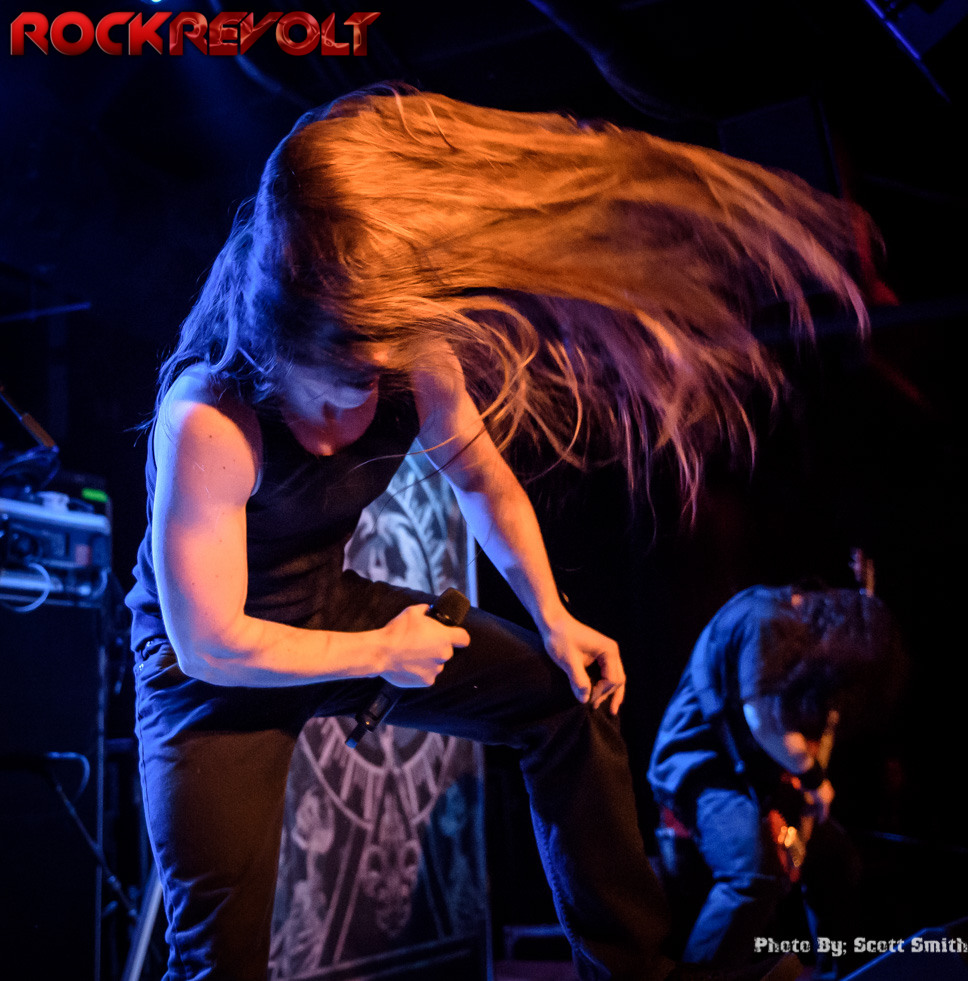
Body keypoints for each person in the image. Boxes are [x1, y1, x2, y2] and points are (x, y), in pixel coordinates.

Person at [124, 86, 873, 981]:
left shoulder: (409, 355)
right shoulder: (209, 418)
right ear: (282, 354)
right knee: (216, 961)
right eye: (341, 386)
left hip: (325, 604)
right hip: (208, 679)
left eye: (377, 377)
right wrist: (379, 651)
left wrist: (554, 615)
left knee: (565, 700)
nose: (358, 407)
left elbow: (483, 480)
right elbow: (211, 642)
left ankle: (632, 971)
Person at [647, 585, 905, 977]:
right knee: (752, 874)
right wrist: (814, 780)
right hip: (702, 767)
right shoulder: (763, 620)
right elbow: (763, 720)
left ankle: (840, 974)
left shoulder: (802, 640)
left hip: (756, 776)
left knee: (837, 860)